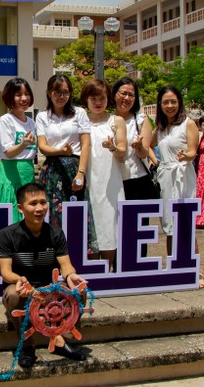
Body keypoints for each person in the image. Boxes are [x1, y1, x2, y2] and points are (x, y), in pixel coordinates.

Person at [0, 182, 88, 367]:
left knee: (79, 291)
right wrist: (20, 280)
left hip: (49, 289)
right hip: (22, 287)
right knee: (14, 295)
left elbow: (66, 265)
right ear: (21, 208)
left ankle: (62, 340)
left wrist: (71, 276)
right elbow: (6, 272)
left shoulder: (55, 233)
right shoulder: (7, 234)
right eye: (33, 204)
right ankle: (26, 346)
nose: (40, 208)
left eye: (43, 202)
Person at [36, 75, 98, 255]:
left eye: (65, 92)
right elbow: (43, 147)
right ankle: (54, 255)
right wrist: (61, 151)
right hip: (52, 170)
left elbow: (86, 144)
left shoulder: (79, 113)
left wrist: (81, 173)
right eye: (57, 92)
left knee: (76, 212)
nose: (61, 96)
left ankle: (79, 254)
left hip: (74, 168)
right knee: (53, 213)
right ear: (49, 93)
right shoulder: (42, 116)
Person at [151, 85, 204, 287]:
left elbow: (193, 151)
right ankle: (174, 267)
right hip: (165, 175)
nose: (170, 105)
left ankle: (196, 270)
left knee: (185, 224)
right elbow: (148, 144)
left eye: (173, 101)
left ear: (179, 102)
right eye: (165, 102)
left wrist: (186, 156)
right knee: (169, 226)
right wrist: (154, 161)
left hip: (183, 175)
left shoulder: (188, 124)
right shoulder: (161, 127)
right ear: (160, 105)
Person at [81, 79, 126, 268]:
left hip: (110, 180)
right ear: (86, 100)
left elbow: (123, 151)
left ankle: (108, 268)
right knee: (89, 225)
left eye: (102, 98)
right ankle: (92, 270)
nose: (98, 102)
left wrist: (113, 147)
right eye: (93, 98)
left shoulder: (116, 121)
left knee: (109, 222)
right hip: (88, 179)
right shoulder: (81, 119)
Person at [0, 77, 37, 223]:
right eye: (18, 94)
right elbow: (8, 152)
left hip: (27, 173)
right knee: (10, 218)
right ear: (10, 97)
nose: (24, 98)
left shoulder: (31, 122)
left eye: (27, 94)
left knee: (27, 217)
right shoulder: (5, 120)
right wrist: (23, 144)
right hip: (10, 174)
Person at [111, 77, 157, 200]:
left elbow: (143, 154)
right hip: (113, 180)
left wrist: (139, 147)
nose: (126, 98)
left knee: (137, 219)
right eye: (123, 93)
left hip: (137, 179)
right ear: (114, 94)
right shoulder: (107, 120)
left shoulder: (140, 120)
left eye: (131, 95)